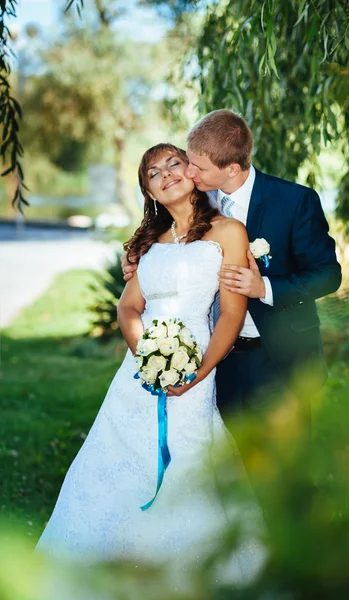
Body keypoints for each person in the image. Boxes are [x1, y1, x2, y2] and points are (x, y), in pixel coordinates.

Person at [35, 143, 266, 586]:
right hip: (138, 377)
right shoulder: (151, 246)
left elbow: (233, 316)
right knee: (115, 465)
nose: (166, 174)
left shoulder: (228, 232)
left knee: (191, 464)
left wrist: (196, 373)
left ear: (192, 171)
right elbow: (128, 309)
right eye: (153, 173)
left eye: (173, 163)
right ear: (151, 193)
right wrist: (148, 358)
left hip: (198, 369)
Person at [122, 110, 342, 425]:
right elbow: (166, 239)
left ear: (232, 168)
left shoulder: (294, 201)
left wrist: (263, 287)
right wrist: (135, 258)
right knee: (231, 462)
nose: (189, 172)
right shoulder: (197, 197)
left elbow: (328, 275)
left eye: (196, 166)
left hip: (279, 354)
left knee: (288, 467)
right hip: (216, 359)